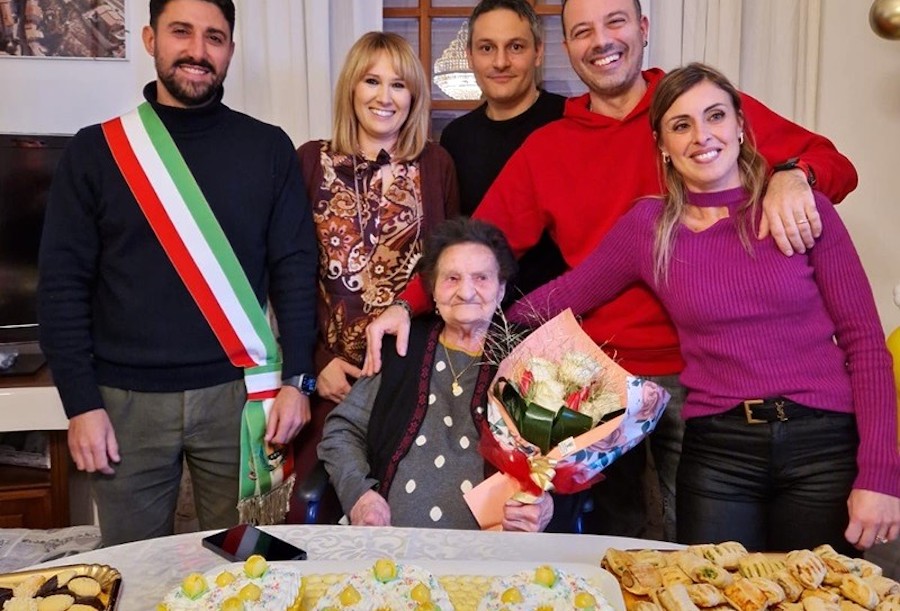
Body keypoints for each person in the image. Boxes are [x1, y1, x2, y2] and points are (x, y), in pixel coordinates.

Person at [363, 0, 859, 541]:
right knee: (613, 542)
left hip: (706, 380)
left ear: (643, 28)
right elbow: (479, 244)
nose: (601, 41)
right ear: (566, 48)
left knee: (697, 547)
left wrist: (795, 174)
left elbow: (835, 164)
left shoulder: (695, 110)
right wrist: (408, 303)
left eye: (616, 21)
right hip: (597, 381)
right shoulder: (549, 147)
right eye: (583, 31)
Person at [507, 62, 900, 553]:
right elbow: (562, 297)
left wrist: (881, 475)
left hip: (821, 446)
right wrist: (462, 314)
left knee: (814, 591)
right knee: (709, 587)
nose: (702, 136)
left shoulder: (801, 209)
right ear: (662, 146)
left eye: (715, 116)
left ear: (740, 125)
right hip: (719, 453)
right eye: (681, 125)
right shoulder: (650, 228)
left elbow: (866, 344)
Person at [38, 0, 317, 545]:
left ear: (230, 49)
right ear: (150, 39)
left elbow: (294, 268)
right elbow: (61, 286)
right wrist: (80, 404)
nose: (197, 50)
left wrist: (297, 380)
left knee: (246, 564)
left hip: (240, 397)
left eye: (214, 37)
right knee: (133, 566)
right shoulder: (96, 151)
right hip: (123, 404)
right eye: (181, 32)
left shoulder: (269, 148)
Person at [292, 32, 459, 518]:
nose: (385, 97)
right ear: (351, 87)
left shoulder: (436, 164)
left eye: (398, 85)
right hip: (332, 379)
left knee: (403, 513)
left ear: (414, 97)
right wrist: (315, 363)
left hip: (410, 381)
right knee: (312, 514)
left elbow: (448, 270)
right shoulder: (309, 160)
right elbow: (291, 274)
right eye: (371, 81)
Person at [318, 218, 553, 531]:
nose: (466, 292)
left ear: (500, 290)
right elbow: (343, 430)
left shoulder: (529, 359)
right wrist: (360, 496)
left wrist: (543, 504)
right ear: (433, 291)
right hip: (389, 540)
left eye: (481, 278)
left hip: (495, 546)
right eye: (452, 278)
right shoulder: (402, 345)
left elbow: (559, 459)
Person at [439, 0, 567, 295]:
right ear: (470, 56)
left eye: (515, 47)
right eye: (487, 48)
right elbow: (456, 243)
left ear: (538, 52)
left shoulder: (568, 120)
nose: (500, 62)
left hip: (563, 310)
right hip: (480, 310)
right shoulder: (456, 138)